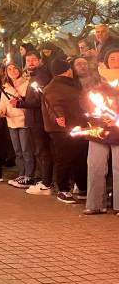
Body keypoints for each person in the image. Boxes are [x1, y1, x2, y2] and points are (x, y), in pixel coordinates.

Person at [42, 59, 88, 203]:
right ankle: (63, 189)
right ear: (68, 70)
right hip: (61, 129)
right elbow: (54, 105)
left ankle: (82, 188)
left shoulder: (71, 84)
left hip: (77, 126)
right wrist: (59, 117)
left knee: (79, 157)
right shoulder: (53, 87)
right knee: (65, 158)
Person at [83, 50, 119, 214]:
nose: (116, 61)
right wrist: (97, 114)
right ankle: (95, 204)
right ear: (106, 61)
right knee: (95, 166)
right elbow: (85, 100)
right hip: (99, 129)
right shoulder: (95, 79)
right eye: (112, 58)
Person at [13, 51, 54, 195]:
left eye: (33, 60)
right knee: (39, 151)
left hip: (39, 119)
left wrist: (20, 104)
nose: (30, 63)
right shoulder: (35, 76)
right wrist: (23, 99)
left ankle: (46, 183)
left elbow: (39, 101)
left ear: (40, 60)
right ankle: (43, 180)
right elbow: (33, 98)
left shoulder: (41, 76)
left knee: (42, 151)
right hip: (34, 119)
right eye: (28, 60)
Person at [0, 63, 35, 189]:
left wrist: (15, 93)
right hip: (11, 121)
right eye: (9, 69)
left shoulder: (26, 84)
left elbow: (25, 99)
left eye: (14, 68)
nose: (12, 71)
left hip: (23, 121)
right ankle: (22, 174)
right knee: (18, 151)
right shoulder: (6, 87)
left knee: (26, 150)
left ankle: (29, 176)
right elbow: (3, 103)